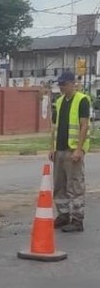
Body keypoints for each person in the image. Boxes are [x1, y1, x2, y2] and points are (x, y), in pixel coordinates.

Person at [49, 70, 90, 233]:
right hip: (59, 150)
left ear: (73, 83)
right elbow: (53, 127)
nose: (61, 87)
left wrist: (79, 149)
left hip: (73, 150)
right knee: (60, 185)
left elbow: (84, 125)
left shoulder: (82, 100)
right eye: (60, 84)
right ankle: (63, 215)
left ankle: (77, 219)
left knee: (75, 185)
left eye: (64, 84)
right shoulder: (59, 102)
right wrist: (51, 147)